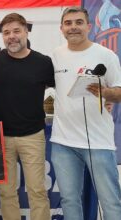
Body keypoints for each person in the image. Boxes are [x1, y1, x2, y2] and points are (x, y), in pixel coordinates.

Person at [51, 6, 121, 220]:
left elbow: (118, 92)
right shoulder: (55, 55)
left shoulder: (106, 55)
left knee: (110, 200)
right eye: (68, 23)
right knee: (69, 199)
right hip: (62, 142)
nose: (73, 27)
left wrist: (105, 93)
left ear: (89, 26)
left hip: (98, 141)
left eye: (78, 22)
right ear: (62, 28)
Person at [0, 13, 53, 220]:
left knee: (37, 192)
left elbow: (65, 88)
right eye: (6, 33)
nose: (11, 36)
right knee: (6, 193)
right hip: (1, 137)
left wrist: (104, 98)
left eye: (16, 31)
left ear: (26, 31)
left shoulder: (43, 62)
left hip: (33, 136)